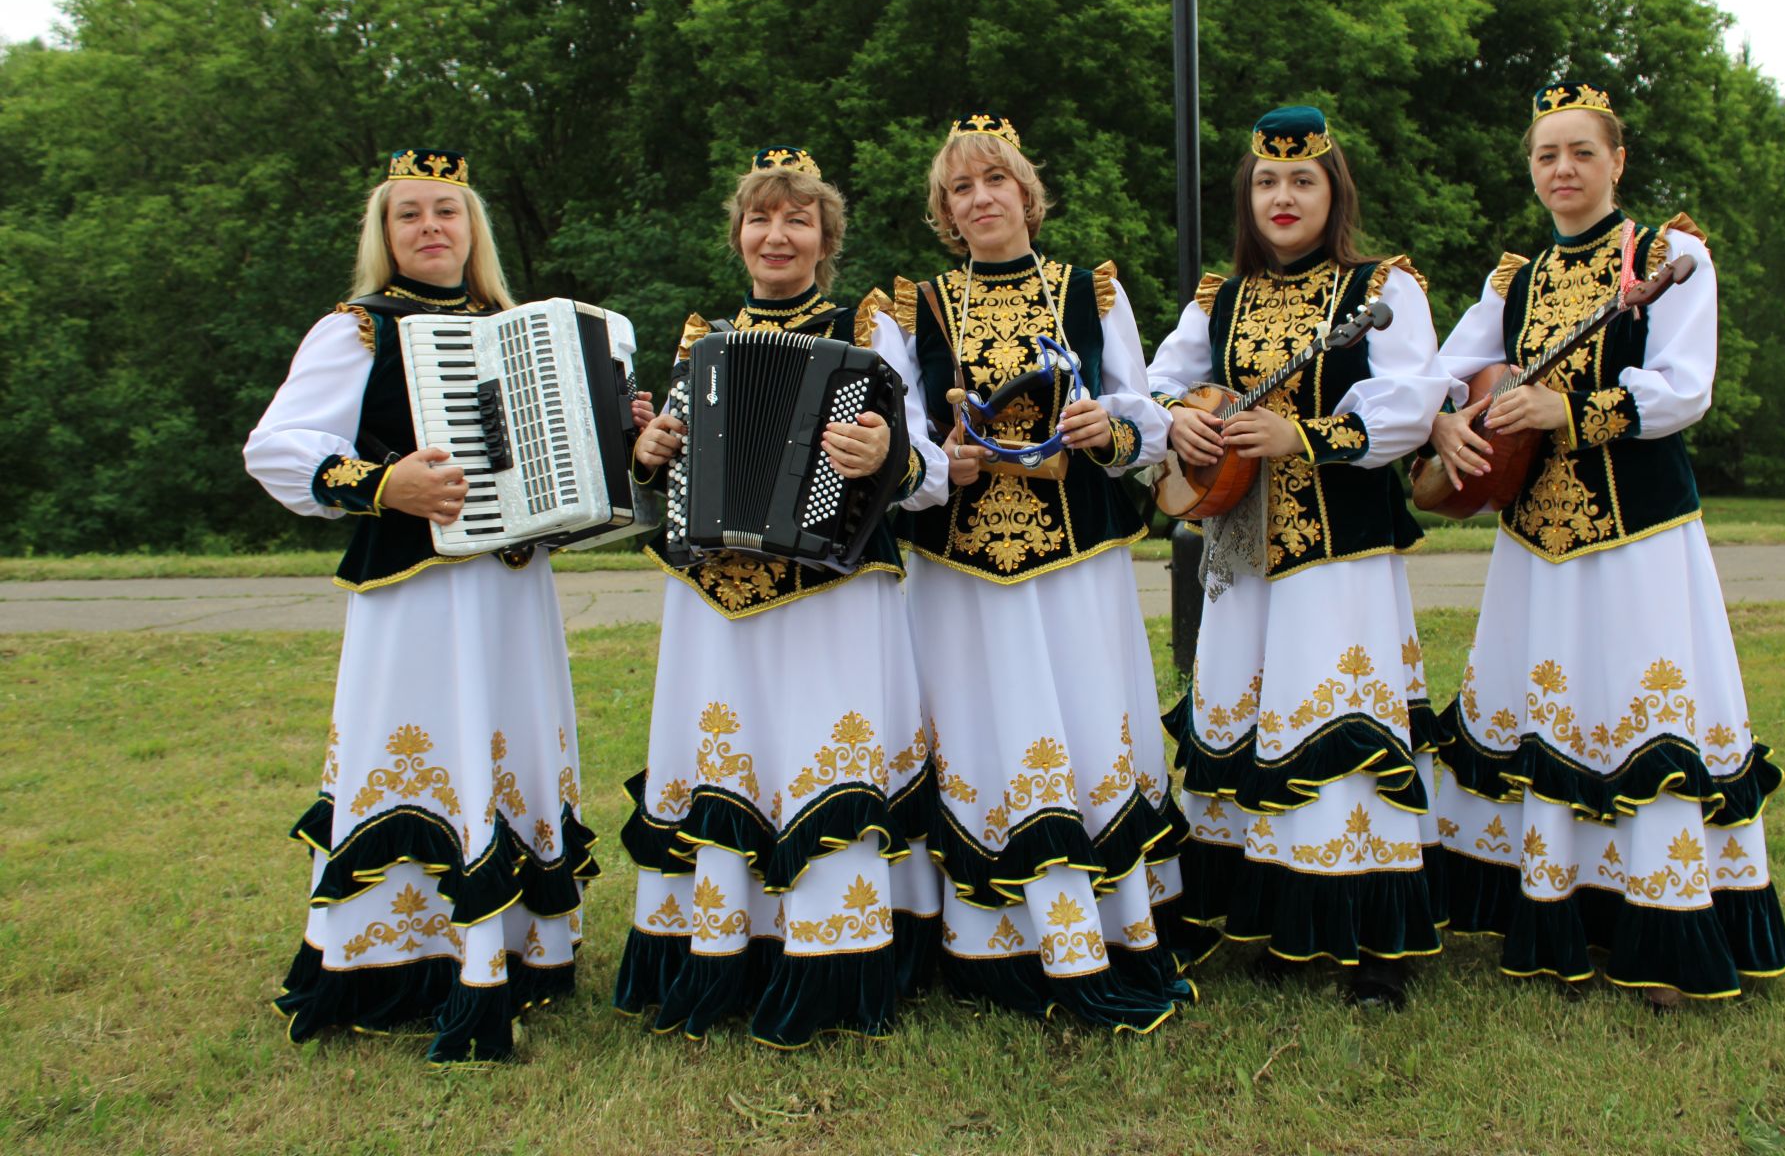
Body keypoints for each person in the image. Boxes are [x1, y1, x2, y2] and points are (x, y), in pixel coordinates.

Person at [1425, 81, 1785, 1005]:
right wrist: (1442, 424)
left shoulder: (1673, 257)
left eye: (1582, 153)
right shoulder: (1513, 279)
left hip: (1638, 539)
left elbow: (1684, 386)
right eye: (1547, 156)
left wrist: (1570, 408)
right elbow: (1435, 372)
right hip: (1534, 544)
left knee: (1638, 717)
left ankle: (1664, 933)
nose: (1563, 171)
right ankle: (1556, 916)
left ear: (1617, 161)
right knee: (1552, 718)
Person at [245, 149, 598, 1064]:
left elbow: (562, 460)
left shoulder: (516, 328)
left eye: (447, 211)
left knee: (508, 749)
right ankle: (400, 960)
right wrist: (381, 483)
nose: (431, 227)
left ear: (472, 228)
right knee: (419, 753)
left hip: (513, 590)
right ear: (386, 234)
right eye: (410, 214)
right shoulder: (357, 330)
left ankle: (515, 951)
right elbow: (278, 448)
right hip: (416, 593)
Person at [613, 146, 948, 1047]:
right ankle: (724, 953)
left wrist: (888, 458)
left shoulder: (871, 329)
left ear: (825, 239)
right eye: (761, 218)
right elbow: (666, 473)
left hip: (832, 588)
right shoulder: (701, 340)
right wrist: (649, 456)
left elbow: (933, 471)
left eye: (798, 219)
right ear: (739, 236)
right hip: (715, 598)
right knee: (733, 758)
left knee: (816, 757)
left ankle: (831, 959)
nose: (777, 234)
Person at [888, 114, 1191, 1031]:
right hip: (962, 570)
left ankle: (1104, 924)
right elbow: (896, 430)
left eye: (996, 182)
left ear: (1027, 192)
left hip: (1072, 563)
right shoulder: (914, 307)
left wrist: (1114, 430)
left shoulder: (1088, 291)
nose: (981, 200)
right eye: (961, 190)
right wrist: (943, 463)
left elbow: (1150, 412)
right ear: (946, 210)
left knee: (1084, 719)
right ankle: (988, 944)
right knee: (979, 727)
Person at [1148, 106, 1452, 1007]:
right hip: (1241, 552)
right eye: (1268, 182)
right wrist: (1188, 418)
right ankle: (1276, 923)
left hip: (1340, 553)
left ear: (1333, 191)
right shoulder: (1219, 298)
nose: (1284, 197)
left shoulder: (1382, 287)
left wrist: (1306, 434)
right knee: (1248, 725)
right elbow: (1160, 383)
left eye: (1303, 181)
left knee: (1339, 732)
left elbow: (1410, 398)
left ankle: (1368, 945)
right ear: (1249, 197)